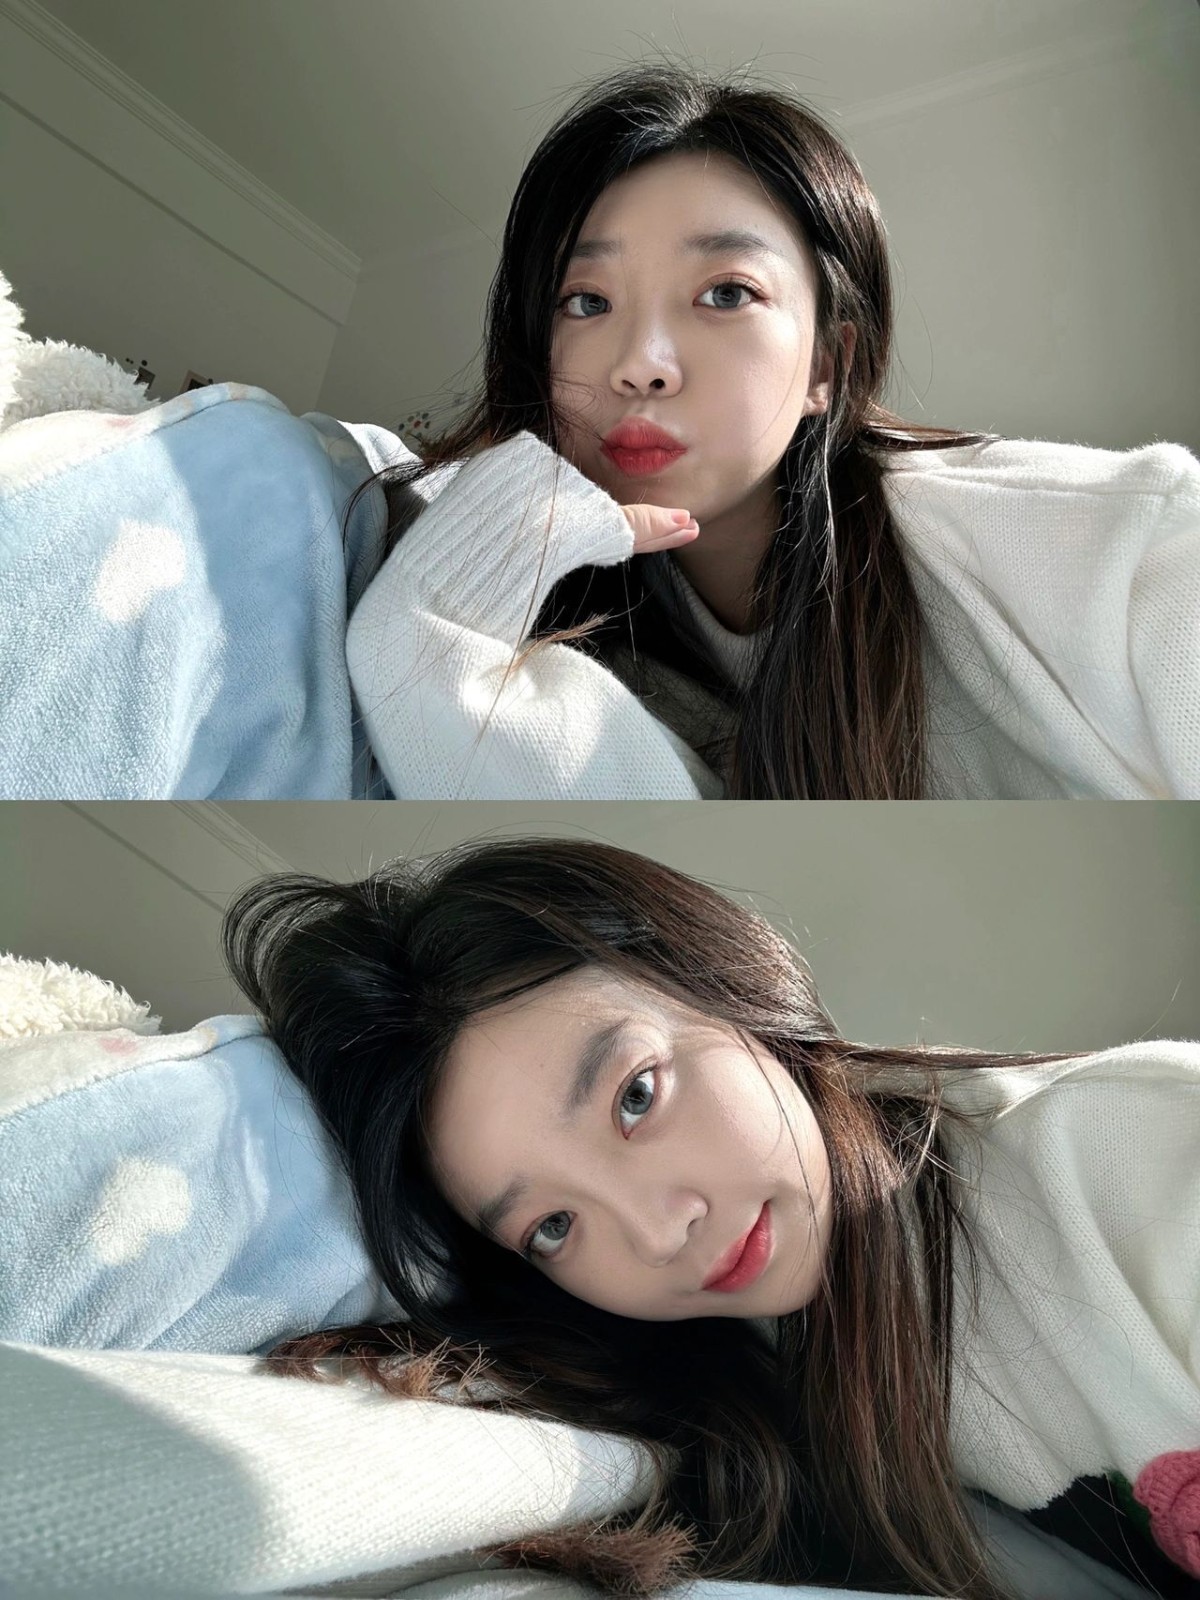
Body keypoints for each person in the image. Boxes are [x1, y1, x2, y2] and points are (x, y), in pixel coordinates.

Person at [221, 836, 1200, 1600]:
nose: (658, 1233)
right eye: (553, 1226)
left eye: (636, 1095)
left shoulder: (1128, 1154)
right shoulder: (723, 1386)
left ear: (730, 981)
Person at [341, 59, 1200, 801]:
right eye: (586, 301)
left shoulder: (1101, 546)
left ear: (828, 364)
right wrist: (436, 615)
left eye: (726, 293)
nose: (641, 365)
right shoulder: (576, 623)